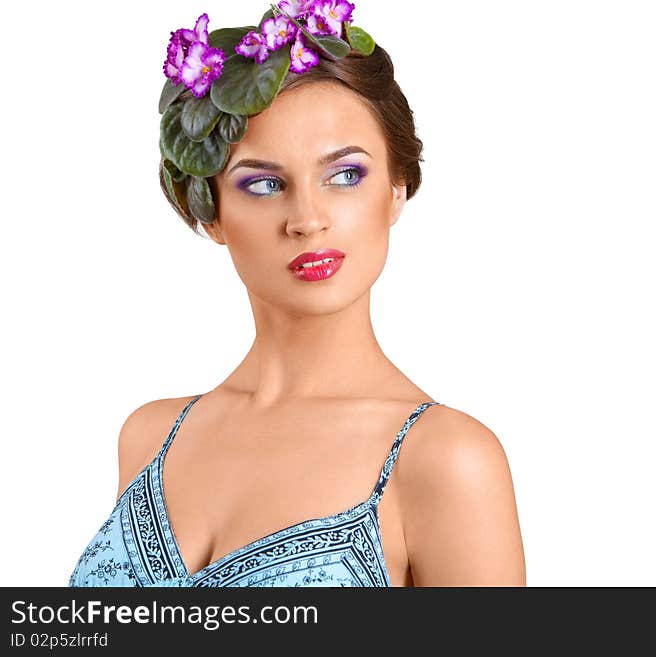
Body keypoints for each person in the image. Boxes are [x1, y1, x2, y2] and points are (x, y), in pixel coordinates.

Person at [68, 1, 525, 587]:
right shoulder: (149, 438)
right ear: (211, 215)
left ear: (396, 189)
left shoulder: (446, 461)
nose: (307, 220)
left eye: (344, 176)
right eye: (263, 184)